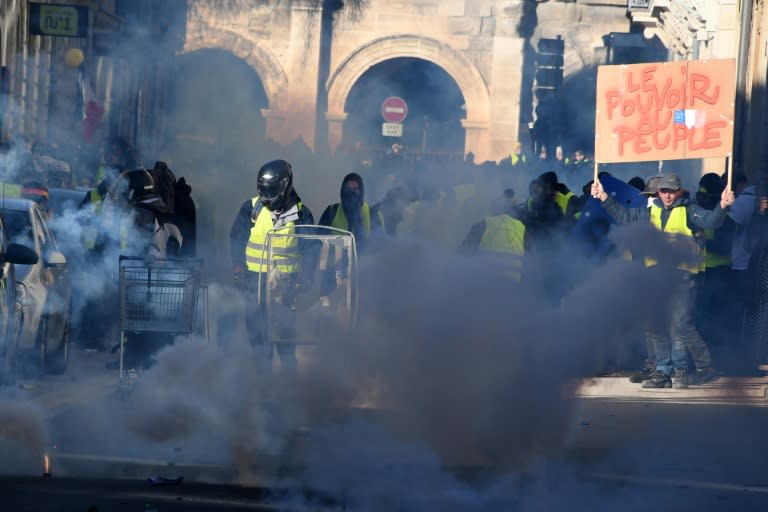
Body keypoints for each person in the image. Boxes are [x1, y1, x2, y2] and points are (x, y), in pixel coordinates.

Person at [593, 173, 733, 389]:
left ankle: (680, 370)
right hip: (656, 276)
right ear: (659, 192)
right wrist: (604, 198)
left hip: (682, 277)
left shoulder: (688, 210)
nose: (667, 196)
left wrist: (722, 206)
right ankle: (662, 371)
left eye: (672, 191)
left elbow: (710, 221)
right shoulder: (650, 211)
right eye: (664, 191)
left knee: (678, 325)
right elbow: (625, 215)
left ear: (679, 191)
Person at [229, 160, 318, 374]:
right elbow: (236, 239)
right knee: (259, 341)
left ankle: (287, 392)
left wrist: (304, 278)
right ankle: (263, 388)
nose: (267, 198)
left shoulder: (300, 213)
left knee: (286, 341)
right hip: (254, 282)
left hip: (287, 289)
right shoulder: (250, 208)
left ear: (285, 186)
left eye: (272, 192)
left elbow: (311, 247)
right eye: (264, 192)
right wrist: (238, 269)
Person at [459, 188, 526, 281]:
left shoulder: (484, 223)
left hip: (487, 280)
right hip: (513, 284)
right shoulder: (522, 227)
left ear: (494, 210)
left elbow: (462, 254)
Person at [319, 172, 384, 248]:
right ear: (342, 191)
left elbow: (380, 248)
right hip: (334, 258)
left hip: (366, 259)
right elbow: (318, 242)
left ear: (361, 191)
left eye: (355, 189)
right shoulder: (331, 211)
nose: (351, 193)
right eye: (347, 189)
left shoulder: (374, 214)